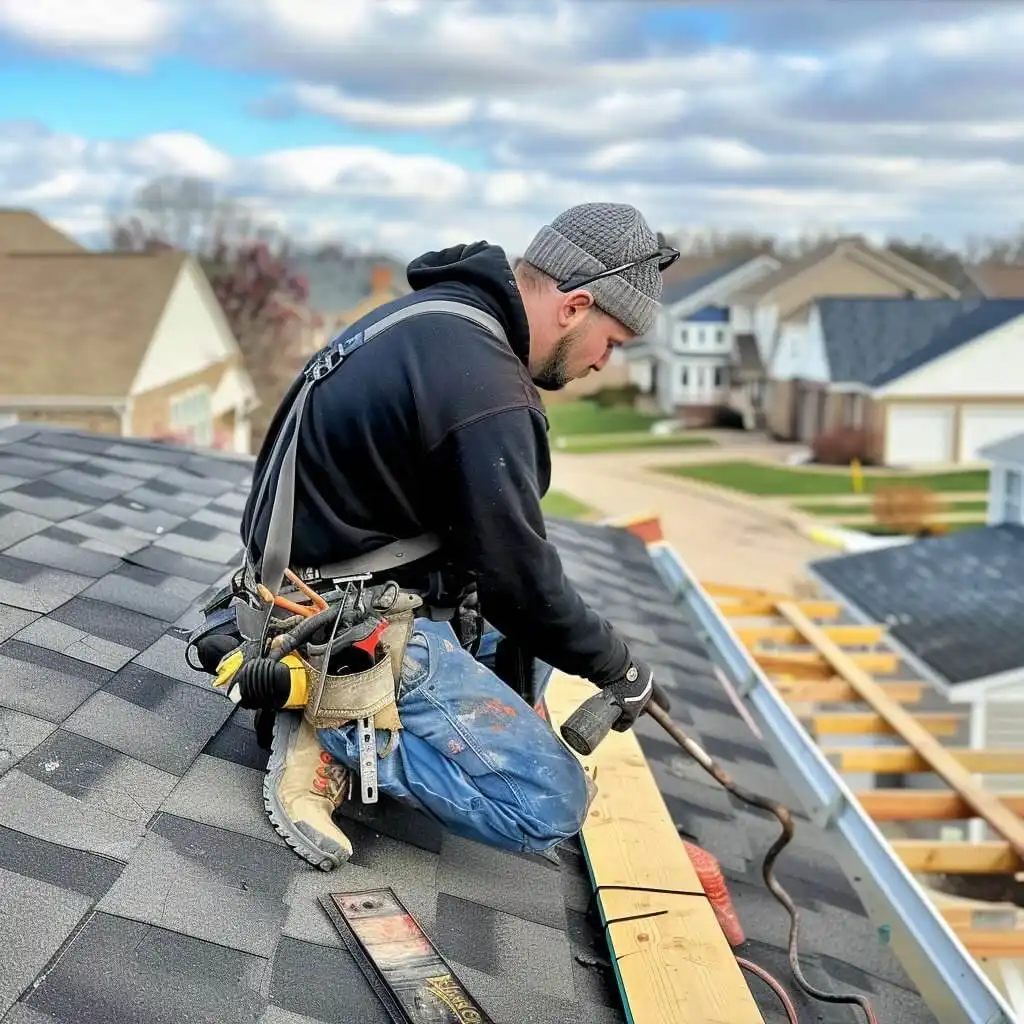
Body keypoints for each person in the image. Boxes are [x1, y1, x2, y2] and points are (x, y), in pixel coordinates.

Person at [231, 202, 675, 869]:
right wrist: (618, 666)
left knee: (541, 649)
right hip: (335, 622)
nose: (602, 364)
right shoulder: (485, 387)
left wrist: (579, 649)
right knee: (548, 805)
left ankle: (356, 707)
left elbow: (509, 569)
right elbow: (519, 582)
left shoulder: (444, 321)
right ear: (576, 305)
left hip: (311, 580)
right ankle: (336, 726)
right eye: (611, 343)